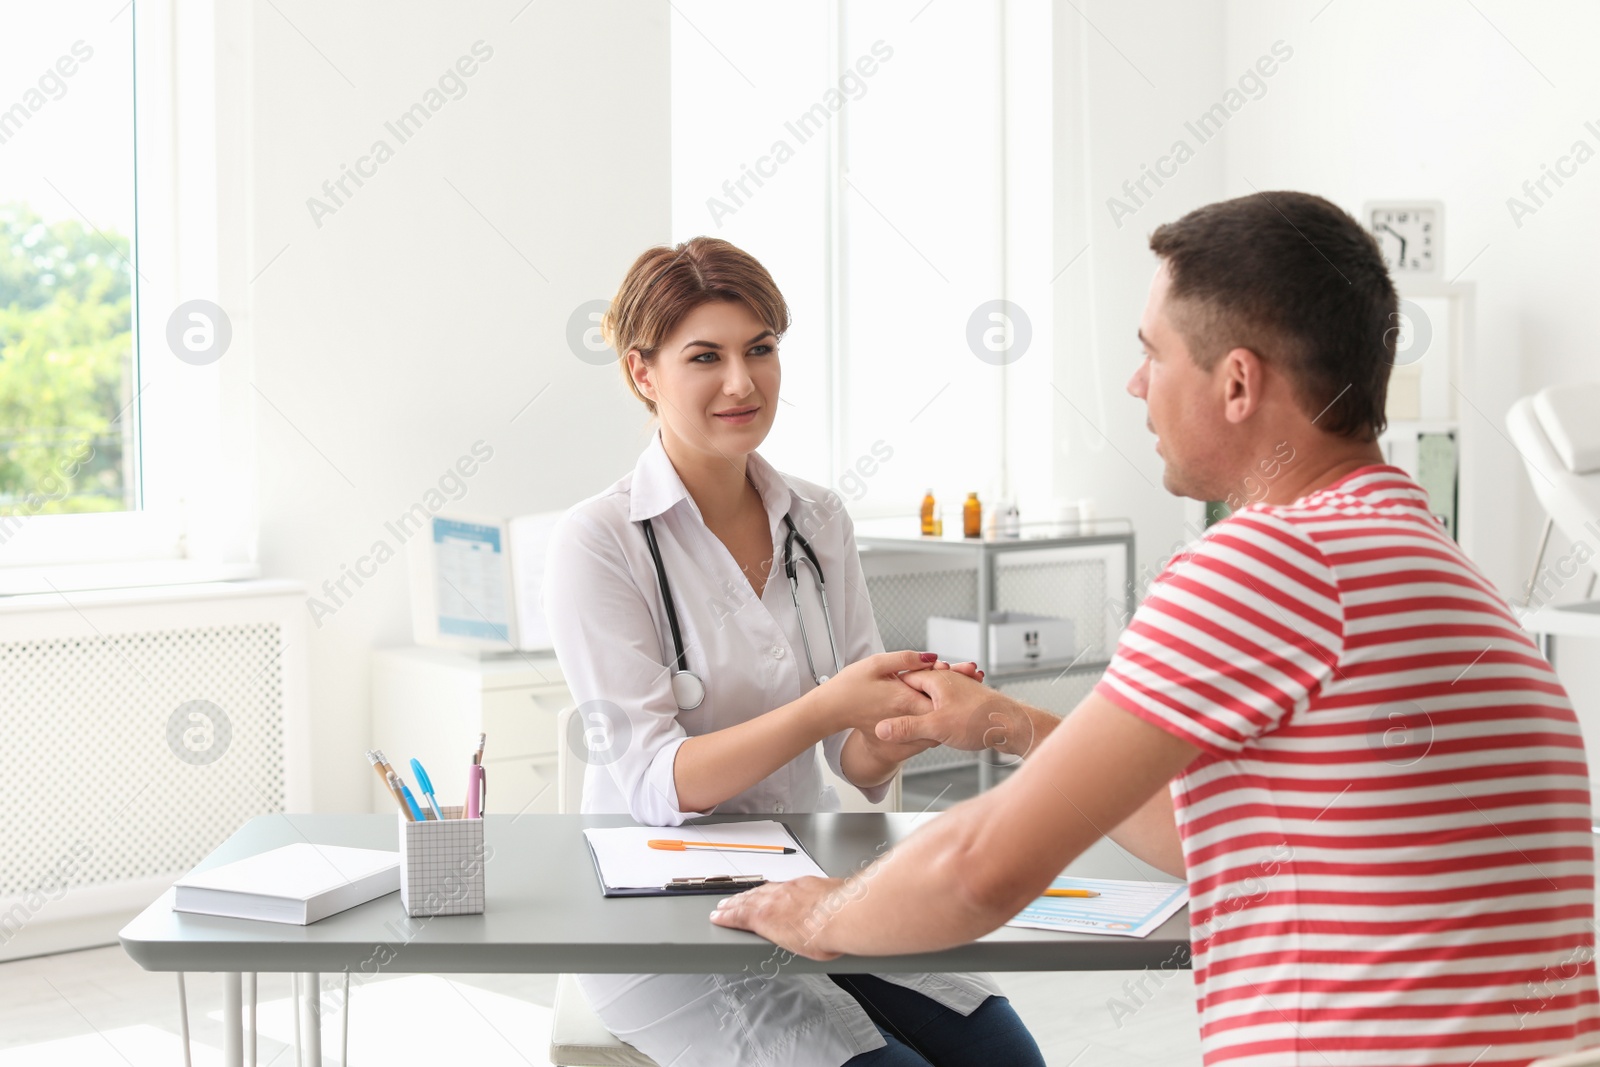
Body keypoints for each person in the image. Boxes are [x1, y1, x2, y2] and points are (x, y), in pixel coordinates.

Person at [711, 192, 1600, 1065]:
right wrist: (1012, 725)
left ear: (1238, 382)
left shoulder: (1266, 560)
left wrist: (821, 914)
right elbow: (1227, 843)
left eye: (1153, 354)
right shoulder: (1425, 558)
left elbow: (980, 868)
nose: (1136, 383)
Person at [542, 236, 1046, 1067]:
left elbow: (857, 760)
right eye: (705, 356)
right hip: (660, 911)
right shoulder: (600, 541)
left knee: (1005, 1058)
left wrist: (906, 720)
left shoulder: (818, 518)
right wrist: (831, 703)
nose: (742, 382)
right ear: (643, 373)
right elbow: (657, 785)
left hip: (814, 878)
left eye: (761, 349)